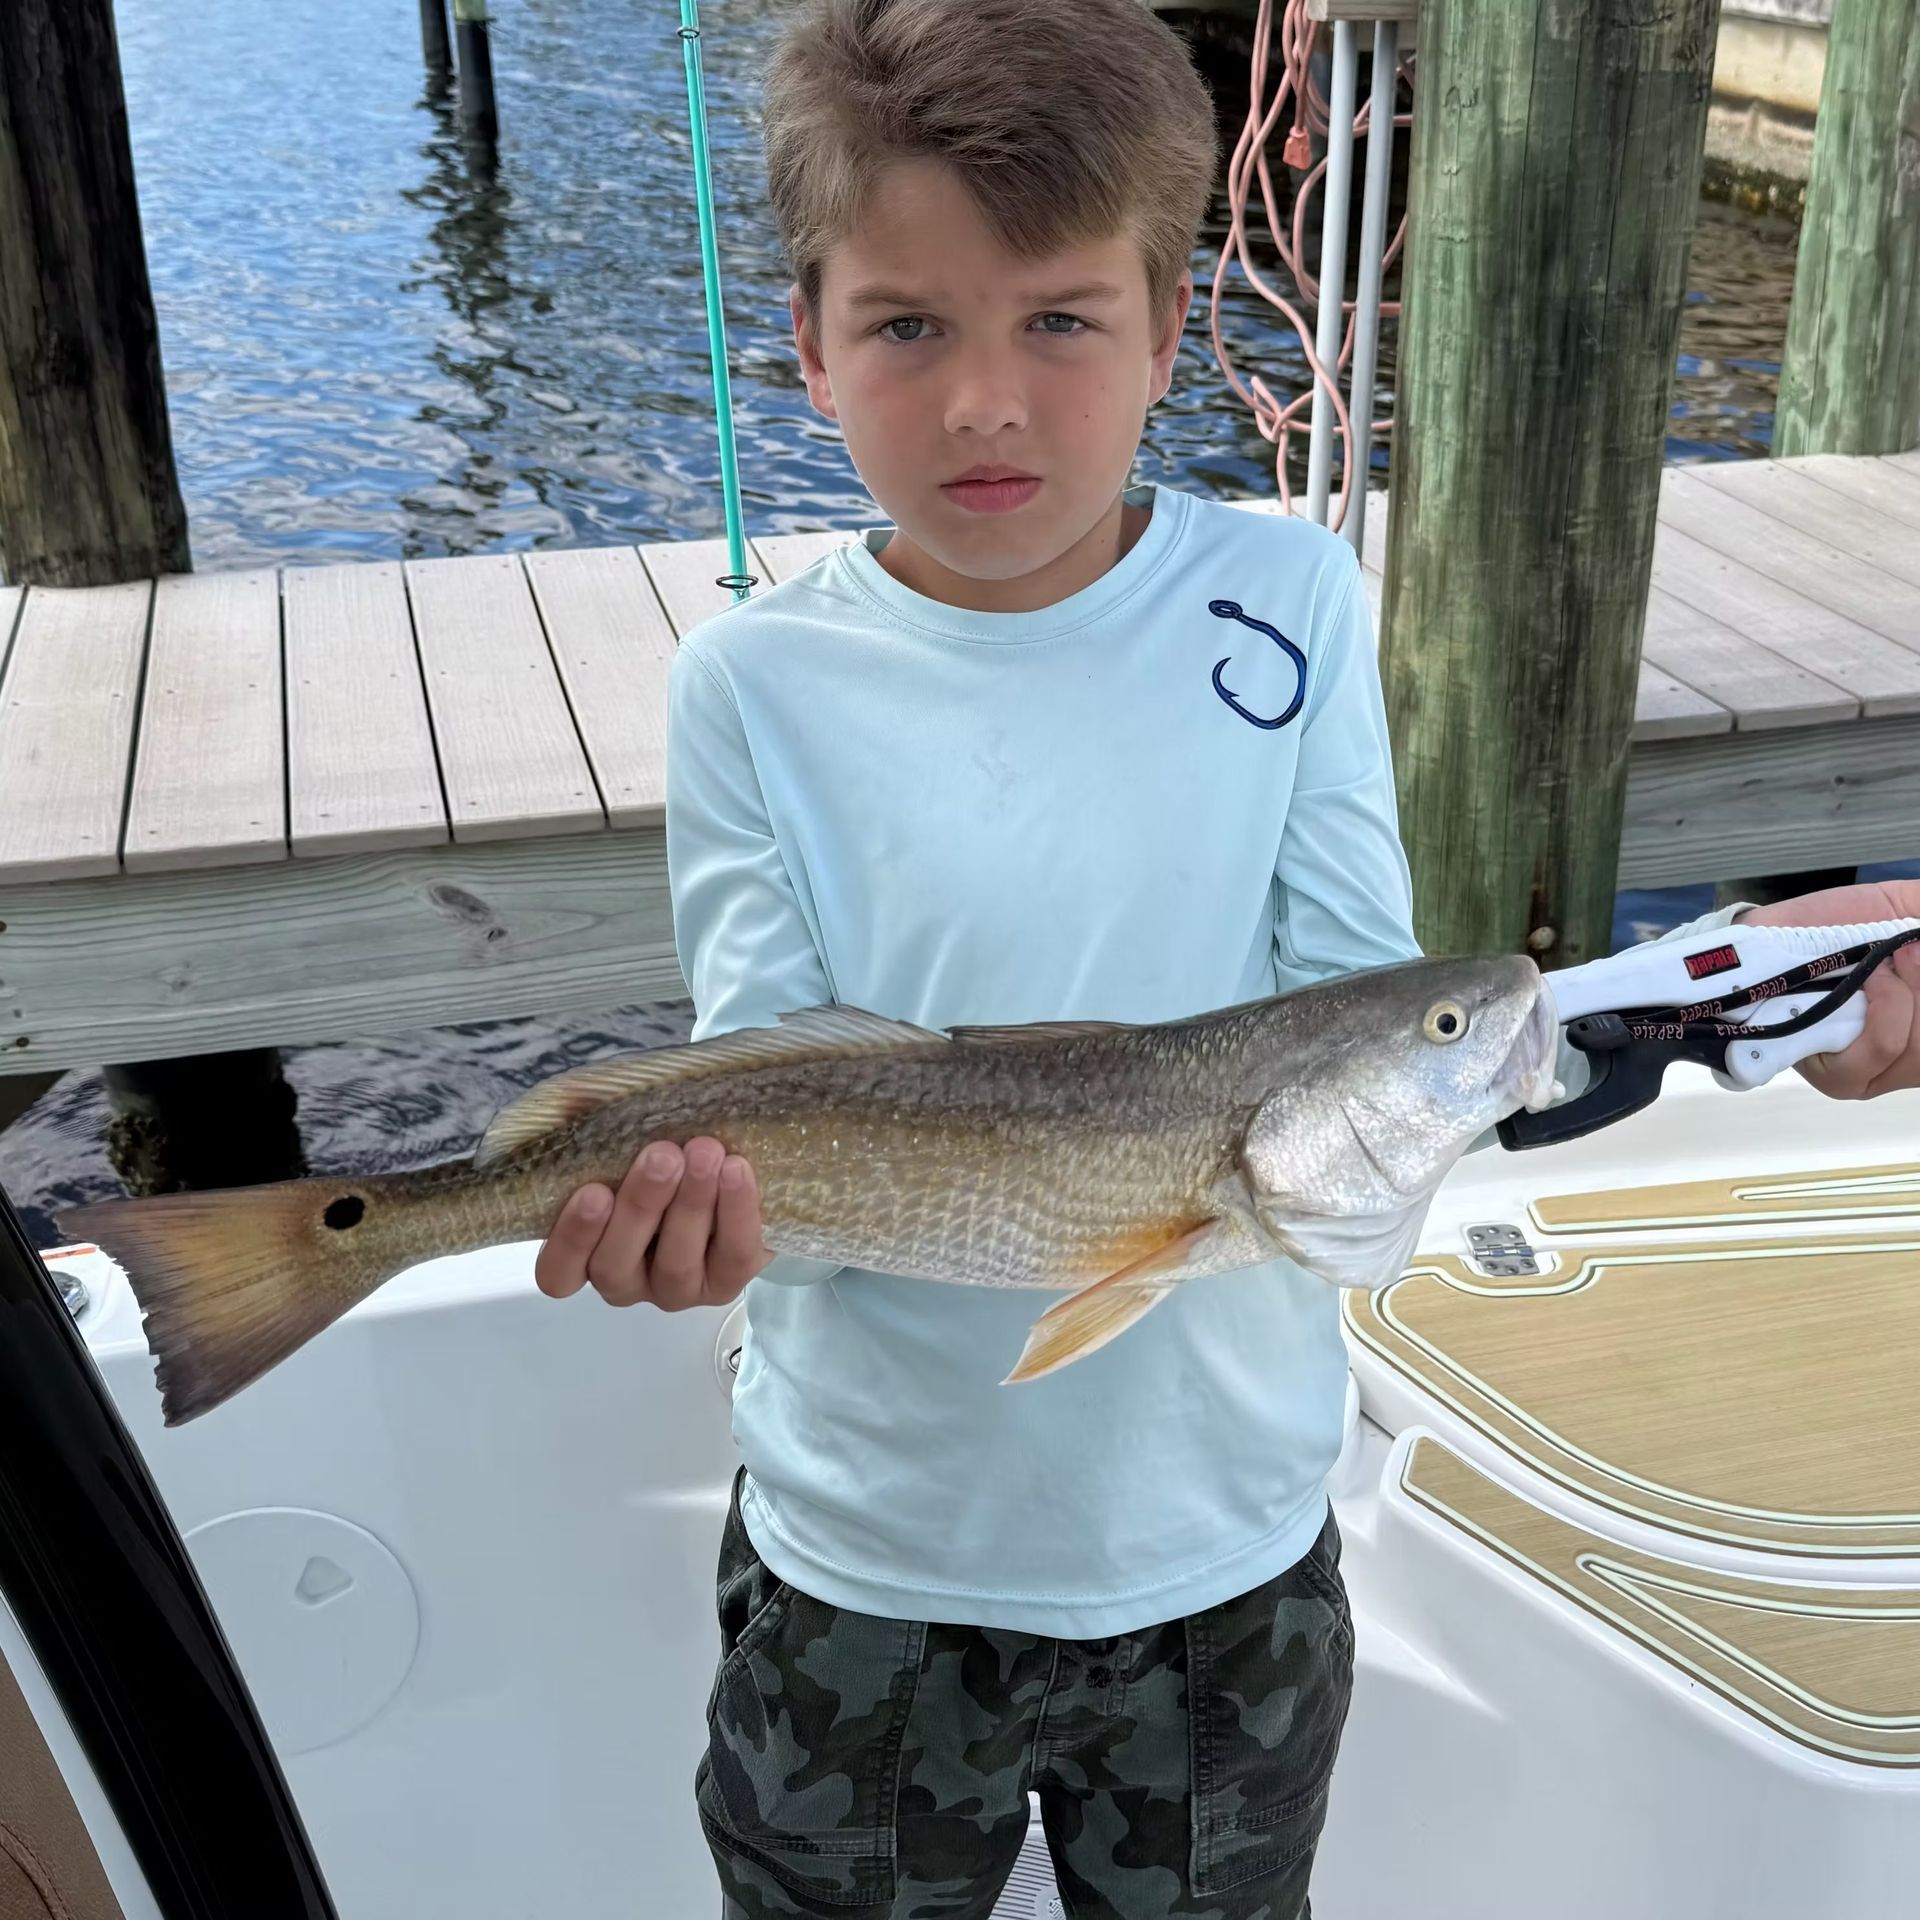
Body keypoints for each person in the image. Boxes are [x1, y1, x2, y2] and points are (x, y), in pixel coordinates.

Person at [532, 2, 1920, 1912]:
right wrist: (684, 1222)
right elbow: (775, 1065)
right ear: (810, 341)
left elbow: (1394, 1051)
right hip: (859, 1554)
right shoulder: (749, 682)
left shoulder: (1290, 600)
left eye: (1064, 319)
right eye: (910, 325)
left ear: (1174, 328)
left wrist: (1746, 992)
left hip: (1227, 1562)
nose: (989, 402)